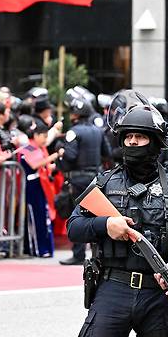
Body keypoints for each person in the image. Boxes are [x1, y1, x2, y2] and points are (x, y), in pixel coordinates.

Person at [67, 92, 168, 337]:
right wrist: (106, 224)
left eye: (141, 136)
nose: (133, 142)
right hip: (113, 288)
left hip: (159, 292)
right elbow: (74, 226)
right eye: (128, 136)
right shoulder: (103, 183)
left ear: (155, 142)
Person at [58, 90, 112, 266]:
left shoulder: (73, 132)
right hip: (95, 178)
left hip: (78, 179)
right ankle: (100, 253)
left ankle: (78, 254)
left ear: (75, 114)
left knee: (78, 217)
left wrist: (61, 155)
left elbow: (71, 156)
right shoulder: (98, 131)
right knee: (97, 215)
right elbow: (107, 154)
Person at [20, 122, 64, 258]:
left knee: (43, 216)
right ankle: (37, 248)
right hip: (31, 187)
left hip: (40, 184)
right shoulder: (28, 148)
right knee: (35, 216)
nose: (45, 140)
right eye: (43, 137)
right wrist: (54, 156)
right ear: (36, 135)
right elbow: (35, 164)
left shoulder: (39, 148)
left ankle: (44, 248)